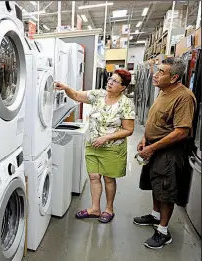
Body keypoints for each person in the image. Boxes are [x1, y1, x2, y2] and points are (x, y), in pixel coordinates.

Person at [55, 69, 135, 223]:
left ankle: (109, 209)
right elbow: (77, 95)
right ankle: (95, 208)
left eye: (115, 81)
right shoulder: (99, 95)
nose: (110, 82)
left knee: (109, 180)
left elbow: (128, 130)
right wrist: (66, 88)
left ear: (123, 87)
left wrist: (106, 138)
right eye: (110, 79)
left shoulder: (126, 104)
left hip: (112, 148)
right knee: (93, 177)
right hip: (93, 145)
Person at [133, 57, 197, 249]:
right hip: (153, 146)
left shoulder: (183, 97)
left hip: (168, 152)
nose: (156, 74)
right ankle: (154, 216)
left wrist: (152, 147)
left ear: (174, 77)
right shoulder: (163, 91)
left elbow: (181, 132)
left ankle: (163, 231)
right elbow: (155, 119)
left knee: (166, 191)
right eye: (157, 70)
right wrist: (145, 138)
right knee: (157, 185)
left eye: (161, 72)